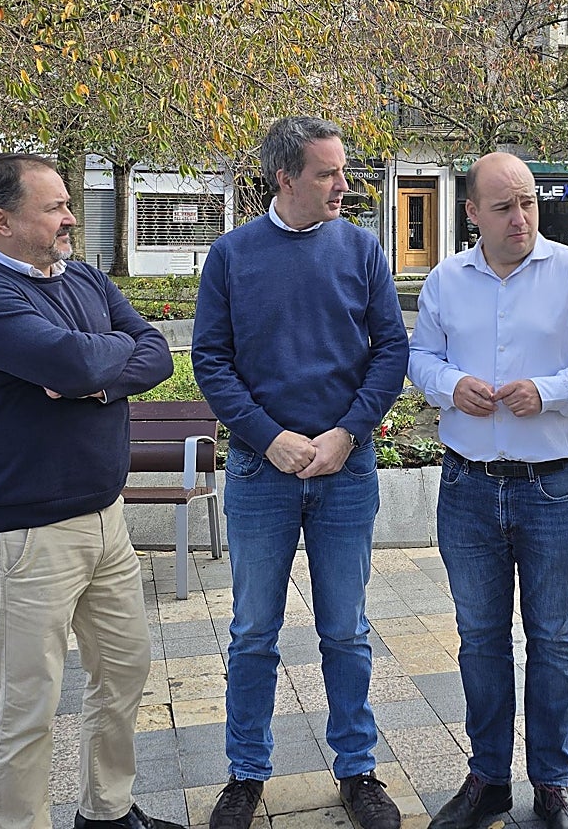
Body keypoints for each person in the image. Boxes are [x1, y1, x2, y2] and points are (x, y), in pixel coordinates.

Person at [0, 153, 181, 829]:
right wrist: (92, 358)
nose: (71, 217)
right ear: (2, 220)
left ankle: (106, 812)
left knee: (124, 673)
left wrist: (92, 375)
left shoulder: (81, 276)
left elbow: (156, 351)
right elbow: (74, 359)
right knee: (27, 705)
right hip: (25, 536)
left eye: (68, 203)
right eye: (54, 207)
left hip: (104, 518)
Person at [191, 117, 409, 829]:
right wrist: (268, 437)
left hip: (345, 472)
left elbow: (390, 351)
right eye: (327, 174)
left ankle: (358, 771)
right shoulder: (231, 255)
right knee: (254, 632)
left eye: (344, 172)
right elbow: (211, 361)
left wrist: (348, 434)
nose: (344, 185)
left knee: (345, 630)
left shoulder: (362, 250)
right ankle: (246, 775)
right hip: (262, 473)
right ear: (284, 178)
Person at [407, 152, 568, 829]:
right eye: (503, 207)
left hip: (551, 485)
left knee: (555, 639)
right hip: (468, 484)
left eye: (527, 202)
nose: (520, 217)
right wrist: (448, 386)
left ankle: (552, 783)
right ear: (472, 213)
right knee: (479, 639)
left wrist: (549, 393)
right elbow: (421, 358)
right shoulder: (446, 281)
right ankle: (487, 777)